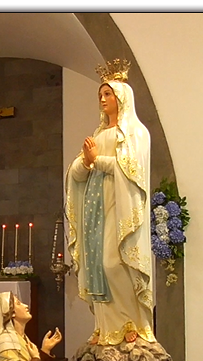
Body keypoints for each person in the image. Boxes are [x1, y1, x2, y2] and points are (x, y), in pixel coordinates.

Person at [65, 67, 156, 346]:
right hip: (96, 207)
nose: (103, 100)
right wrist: (85, 162)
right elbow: (78, 173)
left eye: (108, 94)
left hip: (120, 205)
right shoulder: (100, 133)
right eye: (100, 95)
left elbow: (132, 172)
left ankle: (132, 322)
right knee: (97, 265)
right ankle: (105, 327)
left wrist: (97, 160)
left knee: (116, 261)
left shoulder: (134, 134)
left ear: (122, 98)